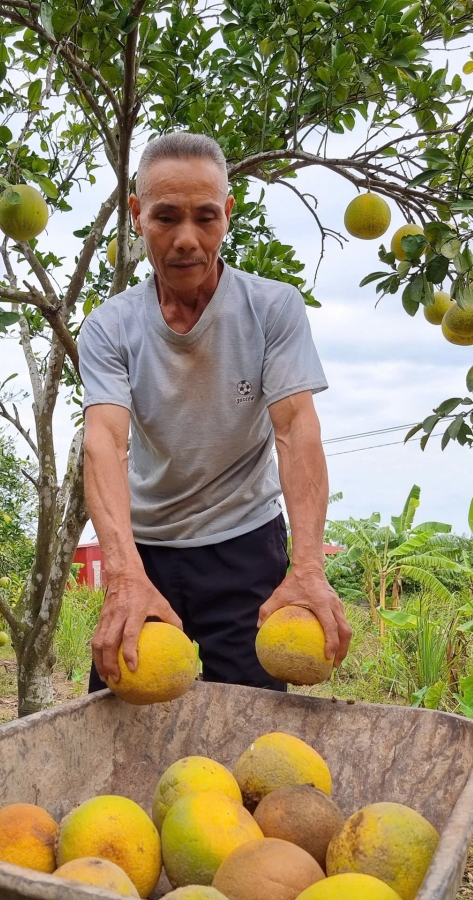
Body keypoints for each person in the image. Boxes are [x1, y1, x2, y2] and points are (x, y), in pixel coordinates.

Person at [79, 131, 351, 693]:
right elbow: (104, 440)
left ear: (228, 214)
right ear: (135, 216)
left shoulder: (273, 308)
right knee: (124, 725)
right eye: (165, 217)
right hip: (144, 549)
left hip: (244, 546)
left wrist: (307, 568)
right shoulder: (111, 326)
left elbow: (296, 429)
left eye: (205, 217)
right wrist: (125, 574)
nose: (186, 240)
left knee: (253, 729)